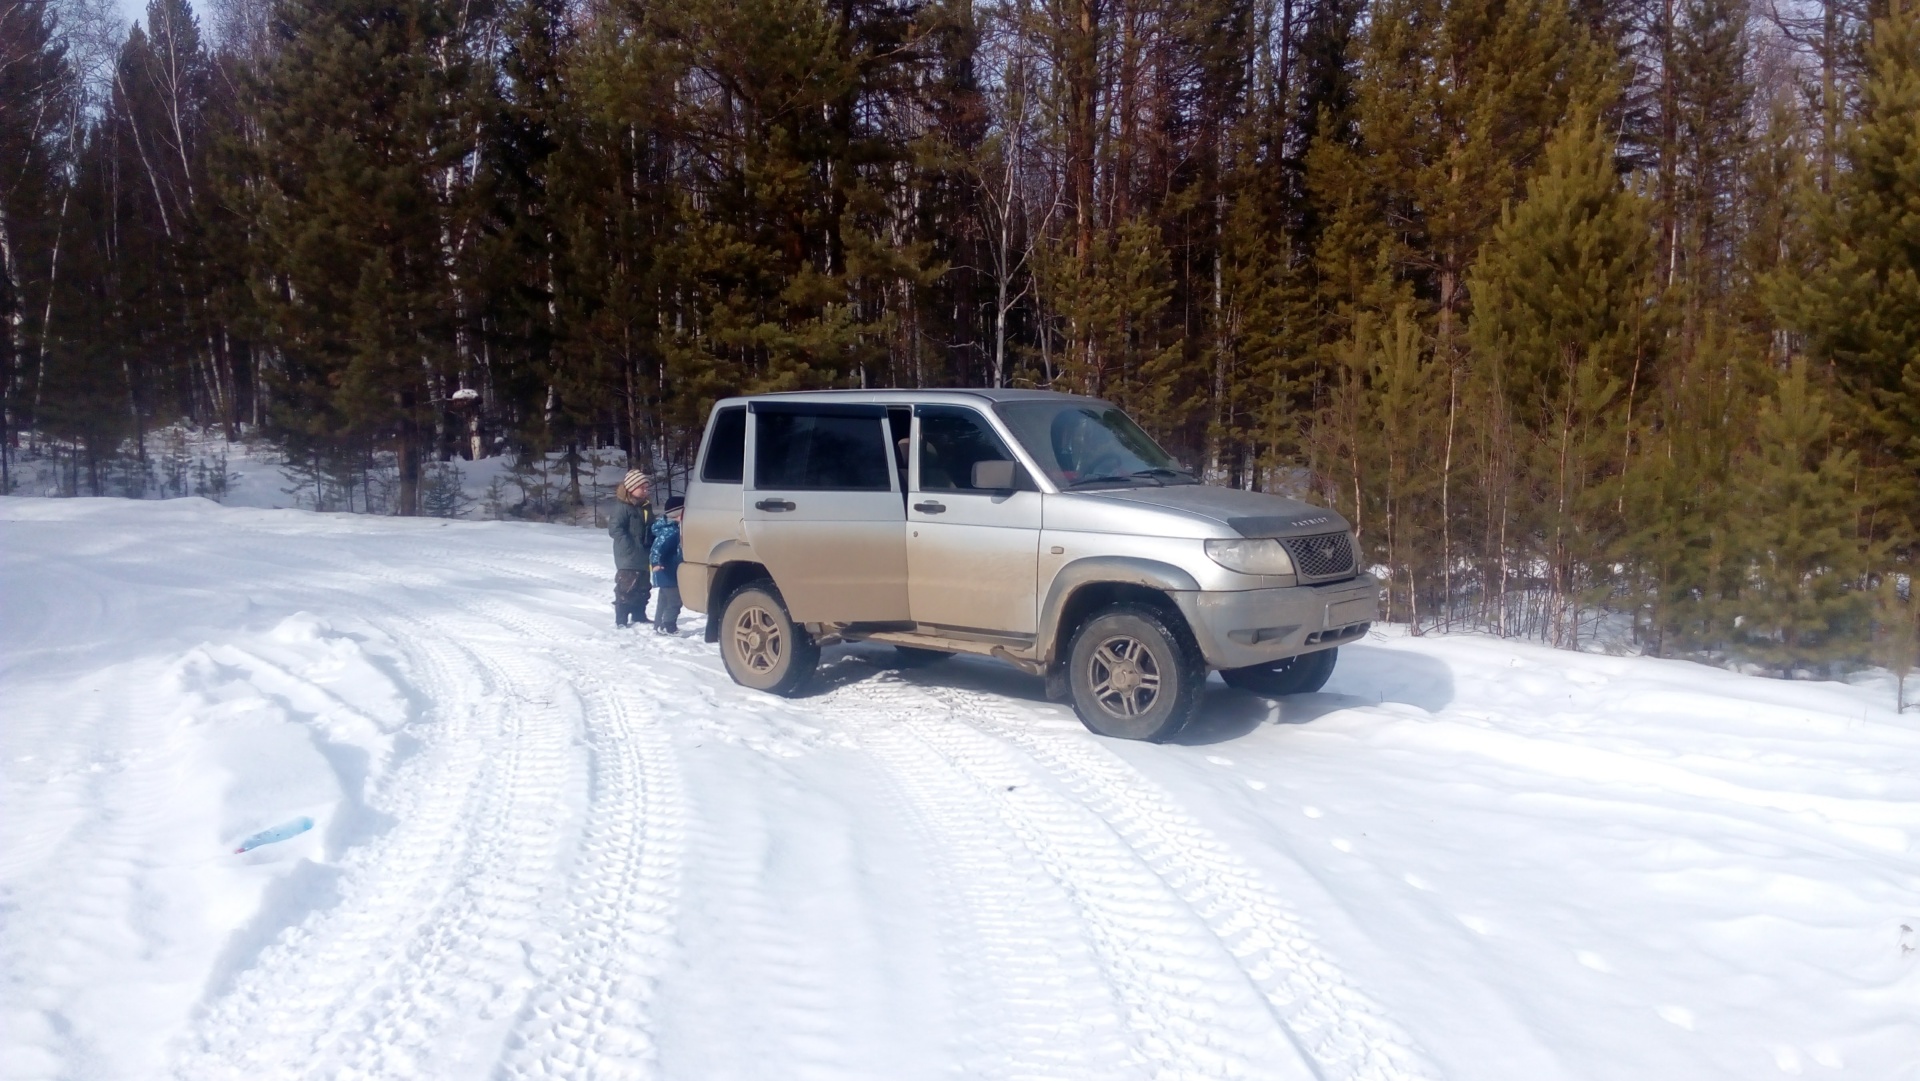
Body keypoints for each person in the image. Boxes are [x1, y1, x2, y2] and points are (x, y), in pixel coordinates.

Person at [609, 469, 655, 628]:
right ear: (631, 488)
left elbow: (650, 526)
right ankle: (621, 619)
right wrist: (630, 546)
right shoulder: (622, 507)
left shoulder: (645, 507)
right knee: (626, 587)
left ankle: (639, 614)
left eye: (646, 487)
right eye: (642, 487)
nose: (645, 490)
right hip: (628, 556)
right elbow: (615, 529)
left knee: (643, 586)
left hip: (644, 553)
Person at [650, 496, 685, 635]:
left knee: (664, 600)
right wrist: (656, 563)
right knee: (676, 600)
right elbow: (657, 549)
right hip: (666, 571)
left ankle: (658, 625)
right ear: (678, 514)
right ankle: (669, 625)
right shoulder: (671, 532)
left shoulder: (673, 529)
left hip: (668, 571)